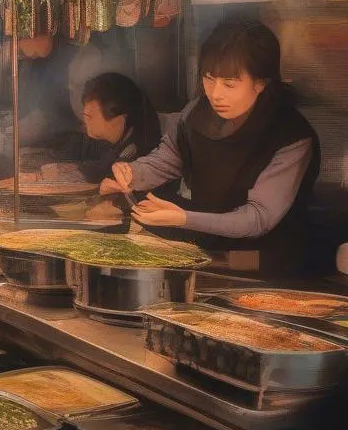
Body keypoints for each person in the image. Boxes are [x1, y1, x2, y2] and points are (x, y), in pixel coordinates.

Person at [102, 19, 320, 276]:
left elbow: (258, 218)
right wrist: (132, 172)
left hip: (266, 262)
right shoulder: (197, 112)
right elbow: (167, 160)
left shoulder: (291, 135)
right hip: (211, 253)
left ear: (260, 82)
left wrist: (184, 218)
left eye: (229, 84)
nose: (215, 94)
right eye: (209, 78)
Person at [77, 72, 162, 184]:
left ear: (120, 119)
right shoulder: (116, 135)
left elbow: (106, 174)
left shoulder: (136, 148)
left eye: (90, 117)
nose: (85, 123)